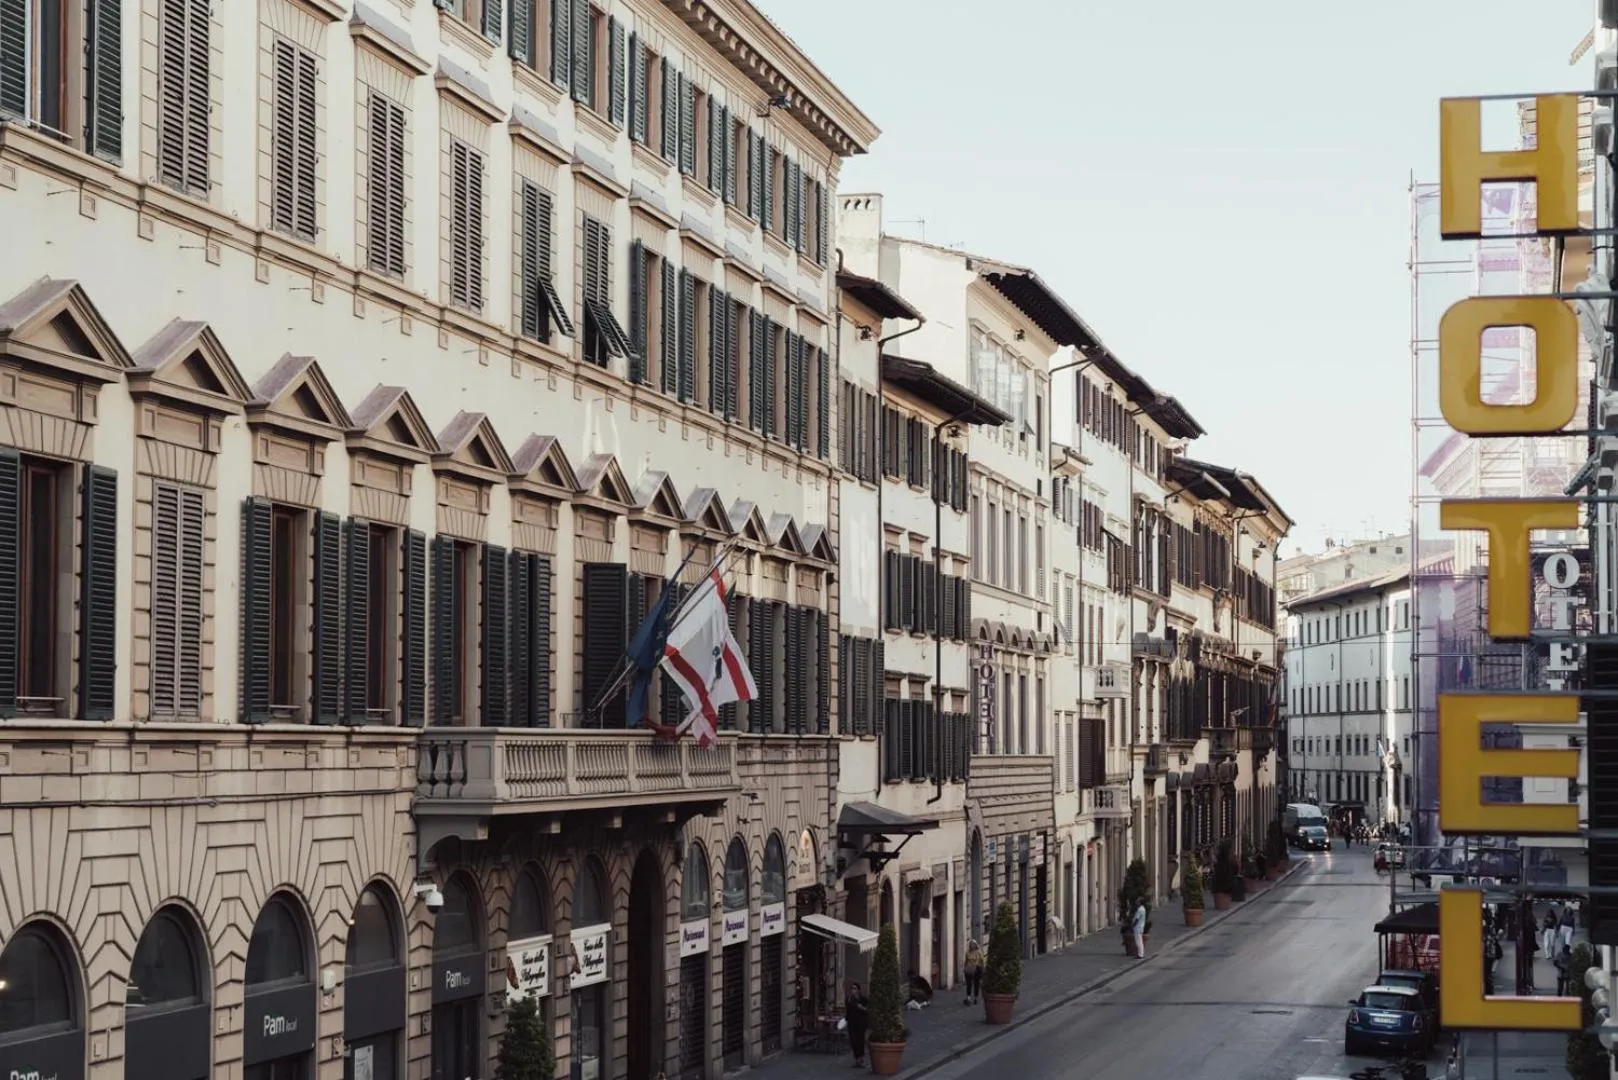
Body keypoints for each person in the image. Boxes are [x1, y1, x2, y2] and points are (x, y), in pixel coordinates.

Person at [845, 981, 869, 1067]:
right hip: (852, 1023)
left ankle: (861, 1058)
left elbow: (868, 1009)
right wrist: (846, 1020)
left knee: (860, 1040)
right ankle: (857, 1059)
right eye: (852, 988)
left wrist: (861, 1007)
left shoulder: (863, 998)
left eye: (855, 988)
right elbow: (848, 1011)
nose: (853, 990)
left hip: (861, 1022)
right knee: (853, 1041)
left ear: (858, 990)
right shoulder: (849, 999)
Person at [962, 939, 984, 1005]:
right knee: (969, 984)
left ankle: (976, 997)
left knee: (976, 983)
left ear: (976, 945)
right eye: (971, 944)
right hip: (969, 969)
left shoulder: (979, 952)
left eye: (973, 944)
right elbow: (966, 961)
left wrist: (982, 969)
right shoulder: (968, 952)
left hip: (977, 969)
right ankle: (968, 997)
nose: (972, 946)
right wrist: (965, 968)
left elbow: (982, 961)